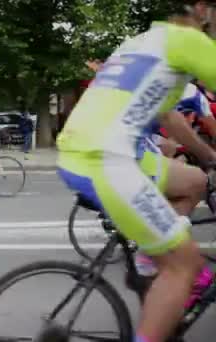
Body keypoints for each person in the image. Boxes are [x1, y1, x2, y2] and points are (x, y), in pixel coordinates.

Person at [56, 2, 216, 342]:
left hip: (101, 147)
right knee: (185, 265)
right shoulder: (188, 41)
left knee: (194, 181)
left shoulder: (150, 39)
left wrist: (209, 156)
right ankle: (163, 270)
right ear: (203, 9)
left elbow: (169, 117)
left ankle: (148, 256)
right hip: (104, 157)